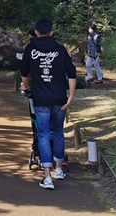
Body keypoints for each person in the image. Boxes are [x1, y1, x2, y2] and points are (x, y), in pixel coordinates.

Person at [20, 18, 76, 190]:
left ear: (36, 32)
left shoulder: (30, 49)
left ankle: (47, 176)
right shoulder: (60, 50)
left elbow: (23, 72)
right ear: (52, 32)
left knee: (43, 134)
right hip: (59, 99)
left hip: (41, 99)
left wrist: (26, 86)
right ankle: (59, 169)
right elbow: (72, 73)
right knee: (58, 132)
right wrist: (71, 96)